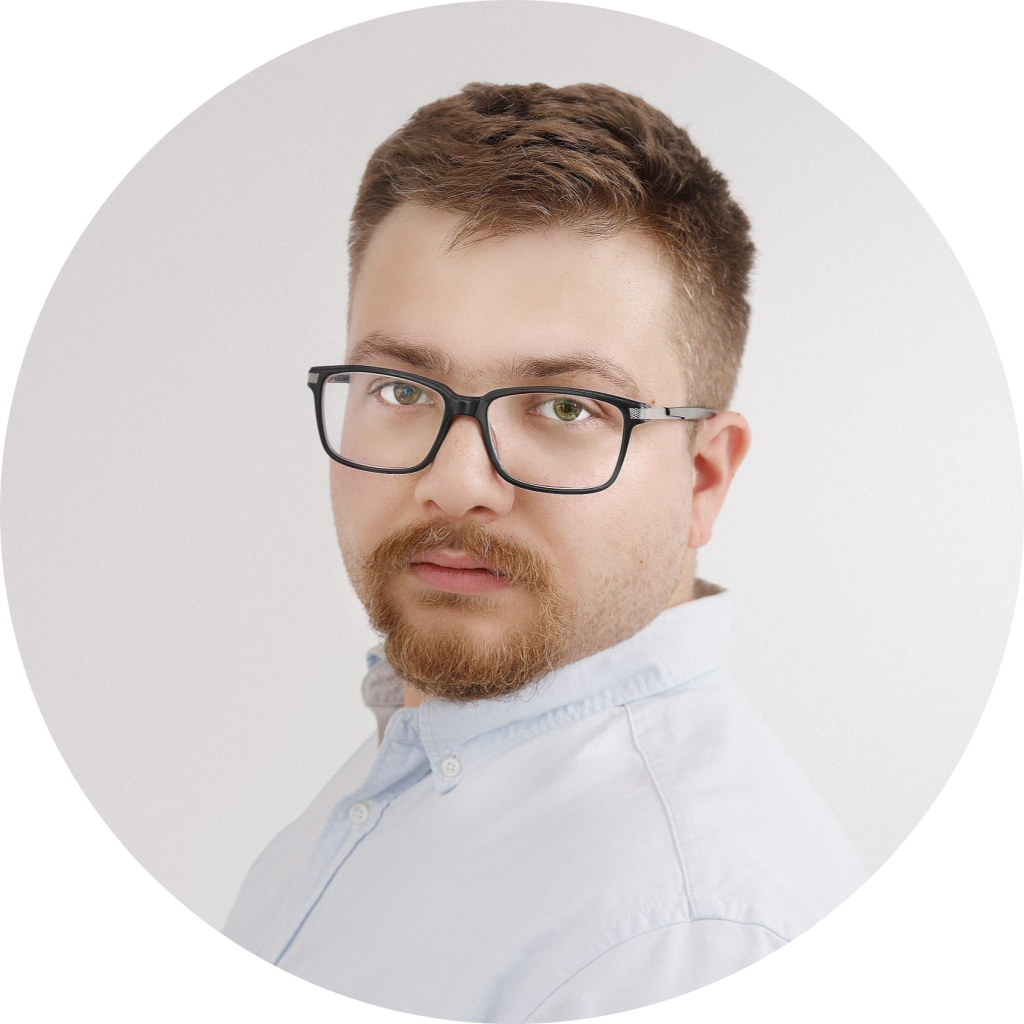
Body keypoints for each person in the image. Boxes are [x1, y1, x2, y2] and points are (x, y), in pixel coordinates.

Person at [221, 82, 867, 1017]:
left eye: (567, 406)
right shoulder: (413, 757)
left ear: (702, 477)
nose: (457, 482)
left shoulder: (680, 938)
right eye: (401, 390)